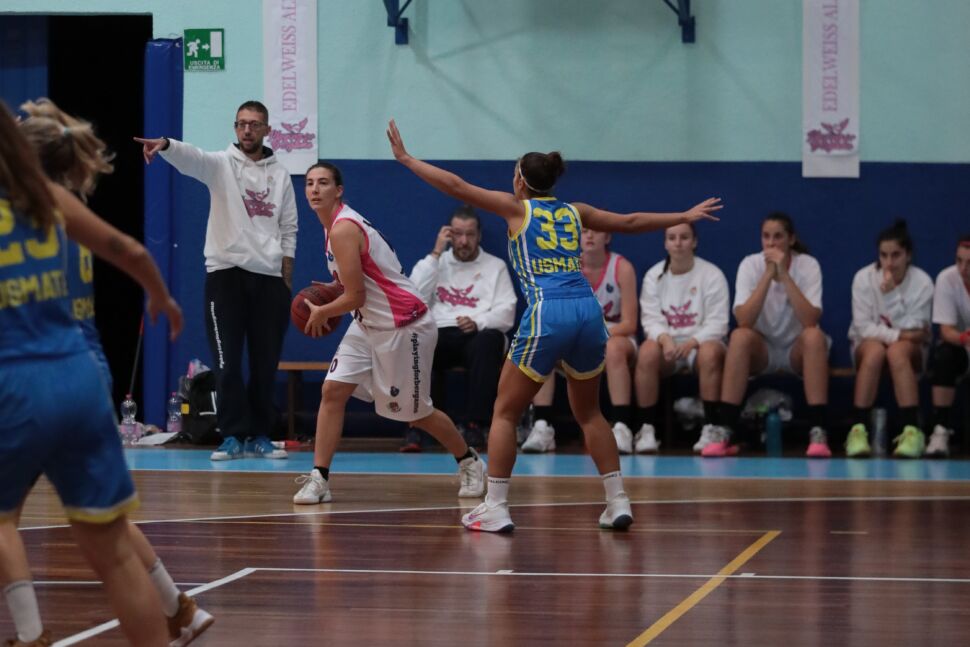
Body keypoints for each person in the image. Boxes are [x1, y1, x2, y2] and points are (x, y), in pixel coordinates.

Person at [387, 119, 721, 532]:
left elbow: (456, 186)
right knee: (590, 413)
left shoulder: (515, 209)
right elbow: (632, 221)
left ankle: (495, 505)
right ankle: (617, 501)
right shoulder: (575, 211)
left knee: (505, 411)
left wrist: (406, 159)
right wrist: (683, 214)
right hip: (588, 310)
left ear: (519, 181)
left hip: (550, 309)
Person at [16, 98, 214, 646]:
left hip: (23, 374)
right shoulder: (64, 201)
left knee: (3, 521)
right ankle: (177, 610)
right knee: (110, 536)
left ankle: (30, 632)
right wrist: (160, 295)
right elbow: (126, 248)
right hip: (80, 367)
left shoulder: (23, 205)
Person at [291, 162, 485, 505]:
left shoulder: (342, 229)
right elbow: (357, 285)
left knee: (415, 413)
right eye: (309, 183)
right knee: (333, 391)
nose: (314, 189)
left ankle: (469, 461)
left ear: (339, 191)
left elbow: (357, 295)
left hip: (404, 325)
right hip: (367, 323)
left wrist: (322, 309)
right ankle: (319, 477)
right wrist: (335, 288)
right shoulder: (331, 227)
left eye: (323, 183)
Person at [134, 100, 297, 462]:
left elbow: (290, 230)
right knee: (226, 363)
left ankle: (259, 435)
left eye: (255, 124)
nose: (248, 130)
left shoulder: (281, 175)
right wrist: (166, 145)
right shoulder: (221, 166)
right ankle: (233, 435)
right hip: (225, 277)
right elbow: (194, 158)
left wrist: (285, 281)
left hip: (269, 281)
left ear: (267, 130)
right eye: (242, 124)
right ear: (235, 128)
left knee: (264, 364)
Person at [704, 212, 832, 458]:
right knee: (740, 336)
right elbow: (744, 319)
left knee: (815, 336)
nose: (771, 243)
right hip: (762, 350)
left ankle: (818, 430)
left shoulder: (808, 265)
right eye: (766, 237)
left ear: (791, 239)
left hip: (797, 350)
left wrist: (783, 274)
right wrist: (767, 275)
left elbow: (810, 319)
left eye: (778, 237)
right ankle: (725, 429)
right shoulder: (750, 265)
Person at [407, 204, 517, 451]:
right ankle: (421, 426)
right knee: (417, 340)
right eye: (457, 234)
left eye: (470, 234)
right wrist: (436, 253)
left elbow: (507, 310)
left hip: (477, 335)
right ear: (448, 234)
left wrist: (478, 322)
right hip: (441, 332)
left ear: (479, 236)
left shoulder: (494, 266)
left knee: (489, 340)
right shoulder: (437, 263)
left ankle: (475, 426)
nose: (464, 241)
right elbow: (412, 299)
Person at [521, 227, 639, 454]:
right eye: (584, 231)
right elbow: (553, 313)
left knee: (614, 348)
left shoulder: (621, 267)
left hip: (615, 334)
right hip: (577, 334)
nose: (590, 236)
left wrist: (595, 333)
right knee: (545, 344)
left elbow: (630, 323)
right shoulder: (564, 267)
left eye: (596, 231)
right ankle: (542, 425)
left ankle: (622, 426)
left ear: (608, 235)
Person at [635, 222, 729, 454]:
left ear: (694, 241)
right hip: (666, 346)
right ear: (665, 243)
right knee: (647, 351)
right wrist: (665, 338)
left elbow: (719, 322)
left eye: (684, 237)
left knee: (710, 353)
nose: (678, 243)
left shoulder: (712, 274)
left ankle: (710, 427)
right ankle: (646, 430)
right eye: (672, 237)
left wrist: (693, 341)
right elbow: (650, 319)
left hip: (699, 344)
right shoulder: (654, 276)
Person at [846, 220, 933, 458]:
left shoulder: (923, 283)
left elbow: (919, 329)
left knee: (897, 351)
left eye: (896, 255)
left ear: (908, 255)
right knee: (875, 351)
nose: (889, 262)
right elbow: (864, 328)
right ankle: (858, 431)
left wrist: (892, 294)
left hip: (911, 353)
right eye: (884, 255)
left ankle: (912, 432)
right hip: (868, 347)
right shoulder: (863, 278)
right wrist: (903, 334)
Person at [925, 234, 970, 457]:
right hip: (963, 349)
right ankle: (940, 430)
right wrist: (965, 339)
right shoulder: (946, 279)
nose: (963, 268)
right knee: (943, 356)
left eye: (969, 263)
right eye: (959, 261)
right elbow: (946, 330)